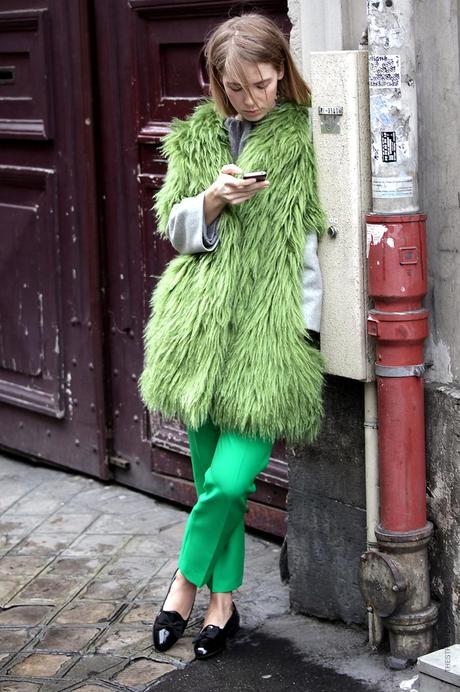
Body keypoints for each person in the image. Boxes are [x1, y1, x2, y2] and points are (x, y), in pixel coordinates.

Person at [139, 12, 326, 660]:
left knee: (229, 480)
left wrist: (305, 332)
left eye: (265, 84)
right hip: (198, 334)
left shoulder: (302, 138)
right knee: (209, 474)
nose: (253, 99)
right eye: (239, 88)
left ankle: (183, 583)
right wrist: (212, 201)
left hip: (266, 340)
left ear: (283, 74)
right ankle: (224, 606)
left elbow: (312, 246)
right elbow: (175, 229)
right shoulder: (196, 138)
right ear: (218, 83)